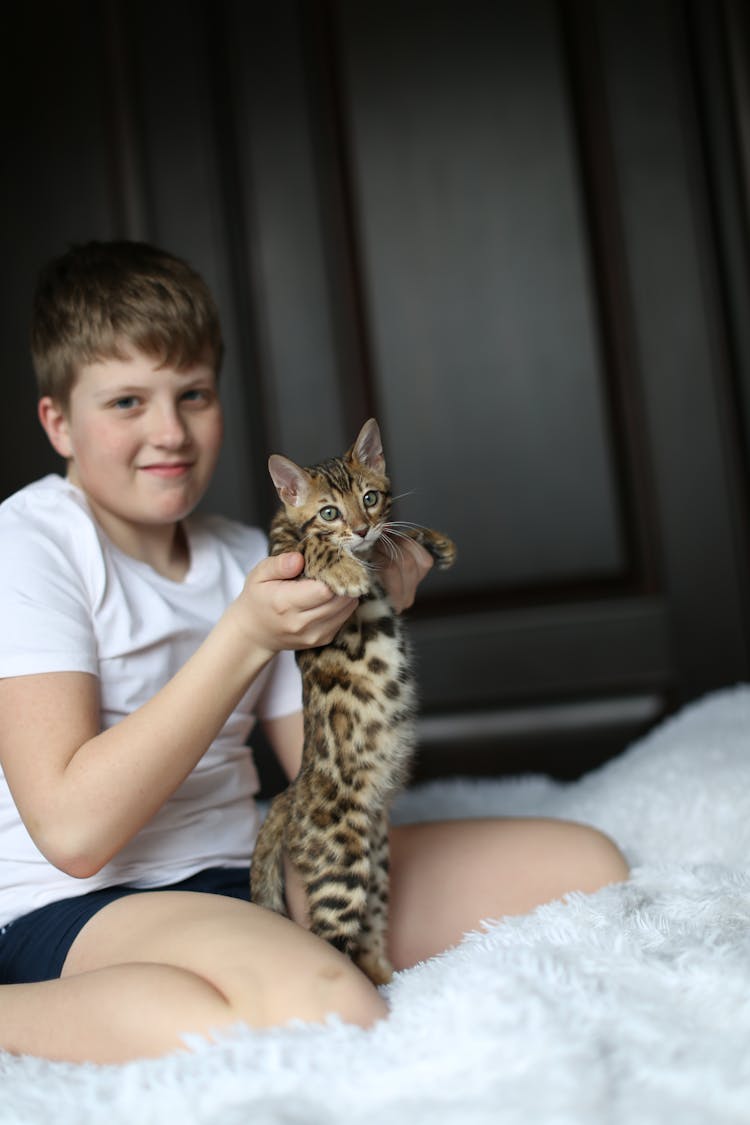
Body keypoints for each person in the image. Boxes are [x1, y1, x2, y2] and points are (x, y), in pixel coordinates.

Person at [0, 241, 628, 1064]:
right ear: (58, 423)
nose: (169, 431)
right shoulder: (30, 544)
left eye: (193, 393)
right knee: (326, 1011)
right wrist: (247, 634)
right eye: (126, 402)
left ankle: (227, 976)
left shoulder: (237, 553)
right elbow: (74, 832)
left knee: (585, 864)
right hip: (82, 902)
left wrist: (363, 618)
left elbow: (331, 781)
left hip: (244, 874)